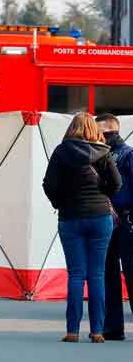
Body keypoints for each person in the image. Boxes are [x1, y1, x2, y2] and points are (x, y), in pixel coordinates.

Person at [43, 112, 121, 343]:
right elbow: (117, 184)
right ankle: (97, 331)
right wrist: (102, 195)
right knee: (97, 274)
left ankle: (72, 331)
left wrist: (60, 202)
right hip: (99, 217)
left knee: (76, 275)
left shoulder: (61, 152)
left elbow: (49, 185)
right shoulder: (104, 152)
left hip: (70, 218)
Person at [96, 113, 133, 340]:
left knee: (114, 274)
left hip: (122, 219)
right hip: (116, 219)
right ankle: (112, 327)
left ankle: (112, 327)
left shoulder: (126, 155)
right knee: (113, 274)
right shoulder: (124, 154)